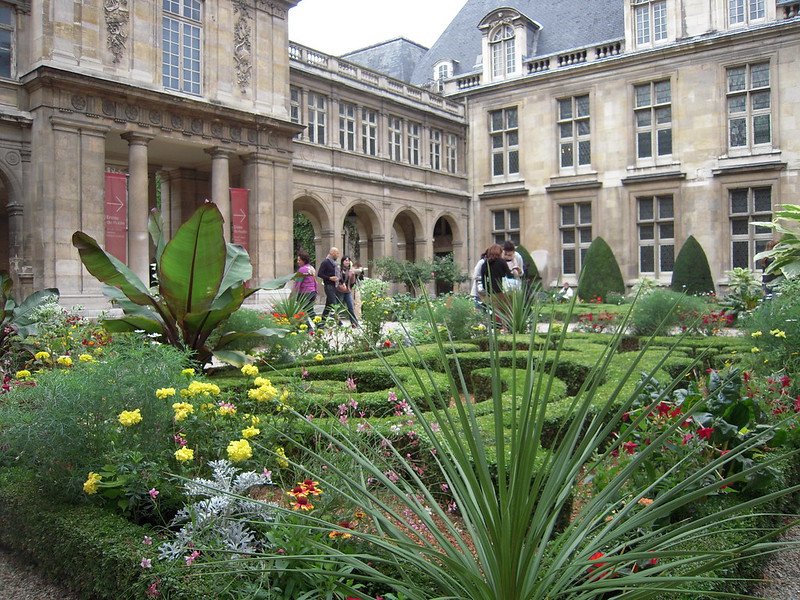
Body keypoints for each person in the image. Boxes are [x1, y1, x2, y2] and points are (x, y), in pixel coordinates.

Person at [317, 247, 341, 322]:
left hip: (334, 286)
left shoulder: (335, 264)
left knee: (329, 305)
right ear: (332, 253)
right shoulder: (325, 262)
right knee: (334, 304)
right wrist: (329, 278)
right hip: (328, 286)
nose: (338, 255)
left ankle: (321, 322)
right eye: (337, 253)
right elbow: (319, 274)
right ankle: (339, 323)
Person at [291, 250, 317, 315]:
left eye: (299, 260)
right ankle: (309, 324)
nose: (298, 262)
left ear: (304, 260)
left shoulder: (302, 270)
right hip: (312, 292)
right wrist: (315, 291)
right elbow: (315, 282)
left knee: (307, 311)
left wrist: (292, 295)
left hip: (305, 293)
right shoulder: (311, 268)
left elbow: (297, 284)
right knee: (307, 310)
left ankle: (320, 324)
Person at [337, 256, 359, 326]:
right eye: (346, 260)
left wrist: (352, 276)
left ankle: (354, 322)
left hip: (347, 291)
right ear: (342, 261)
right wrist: (341, 283)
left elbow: (353, 282)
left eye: (348, 260)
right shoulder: (338, 269)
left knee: (350, 306)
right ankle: (338, 322)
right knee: (337, 307)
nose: (347, 262)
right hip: (339, 290)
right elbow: (338, 278)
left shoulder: (350, 270)